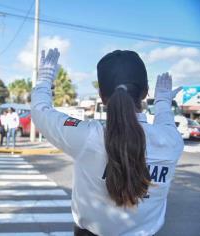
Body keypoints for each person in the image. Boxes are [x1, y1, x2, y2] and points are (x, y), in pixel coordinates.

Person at [31, 49, 184, 236]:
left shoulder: (87, 137)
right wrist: (162, 102)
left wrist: (44, 79)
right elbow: (166, 123)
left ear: (102, 97)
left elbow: (41, 112)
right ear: (144, 93)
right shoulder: (170, 141)